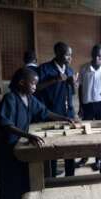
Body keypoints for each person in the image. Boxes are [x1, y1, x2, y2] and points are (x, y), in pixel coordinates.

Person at [0, 68, 74, 199]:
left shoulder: (30, 99)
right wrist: (27, 135)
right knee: (9, 185)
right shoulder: (10, 98)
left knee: (23, 181)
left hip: (20, 147)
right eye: (33, 83)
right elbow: (6, 124)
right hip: (7, 149)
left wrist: (64, 118)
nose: (35, 87)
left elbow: (45, 112)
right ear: (21, 82)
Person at [37, 42, 76, 177]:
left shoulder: (69, 70)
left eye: (71, 55)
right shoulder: (44, 69)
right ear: (58, 54)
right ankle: (51, 177)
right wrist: (55, 80)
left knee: (71, 146)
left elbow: (73, 93)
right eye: (67, 55)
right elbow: (36, 89)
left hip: (68, 113)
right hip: (52, 114)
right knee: (52, 148)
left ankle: (70, 176)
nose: (70, 58)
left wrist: (73, 84)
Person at [76, 44, 101, 171]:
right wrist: (81, 106)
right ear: (91, 55)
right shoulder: (84, 68)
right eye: (95, 55)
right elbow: (80, 88)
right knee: (85, 132)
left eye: (100, 56)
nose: (97, 58)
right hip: (87, 105)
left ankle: (98, 160)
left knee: (99, 132)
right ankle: (84, 157)